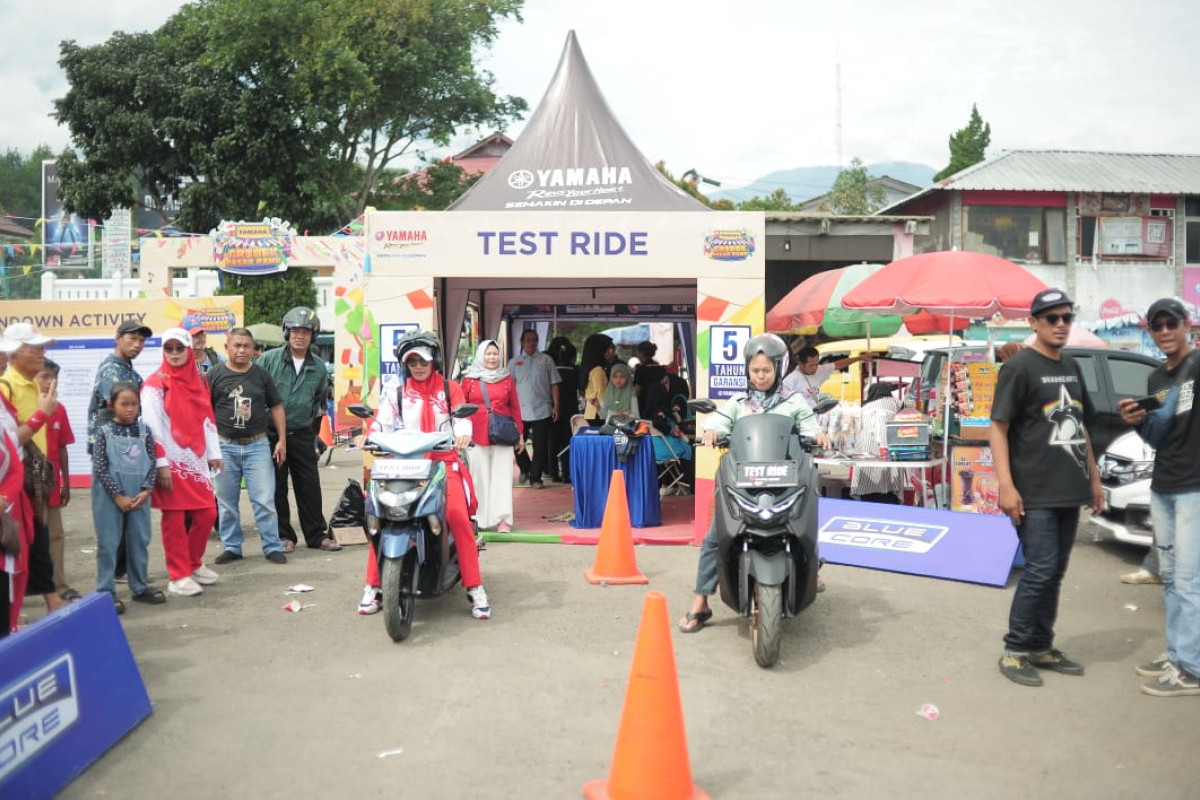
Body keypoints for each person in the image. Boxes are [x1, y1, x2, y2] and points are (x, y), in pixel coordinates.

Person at [678, 334, 831, 633]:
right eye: (755, 370)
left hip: (785, 481)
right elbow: (720, 422)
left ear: (778, 369)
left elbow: (810, 426)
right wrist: (711, 432)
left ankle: (809, 571)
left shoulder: (794, 401)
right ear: (747, 370)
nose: (760, 376)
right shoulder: (738, 403)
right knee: (713, 537)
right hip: (744, 482)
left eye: (766, 370)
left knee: (806, 524)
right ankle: (701, 600)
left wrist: (818, 436)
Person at [990, 288, 1103, 687]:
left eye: (1066, 318)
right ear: (1033, 322)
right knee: (1038, 571)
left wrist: (1093, 477)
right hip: (1033, 490)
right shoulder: (1019, 367)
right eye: (1051, 318)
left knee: (1055, 571)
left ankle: (1041, 644)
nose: (1060, 325)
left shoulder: (1072, 367)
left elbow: (1081, 424)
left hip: (1068, 489)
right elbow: (998, 428)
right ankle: (1015, 650)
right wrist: (1006, 485)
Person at [357, 333, 491, 620]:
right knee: (379, 518)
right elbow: (382, 423)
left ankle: (474, 586)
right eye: (412, 361)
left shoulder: (450, 388)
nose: (418, 366)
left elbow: (462, 419)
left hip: (442, 464)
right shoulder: (395, 391)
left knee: (456, 517)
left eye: (423, 360)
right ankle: (374, 585)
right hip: (401, 466)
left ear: (435, 361)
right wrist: (368, 436)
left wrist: (463, 435)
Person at [1118, 298, 1200, 697]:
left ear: (1187, 325)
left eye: (1172, 323)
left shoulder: (1197, 365)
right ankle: (1177, 656)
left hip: (1195, 489)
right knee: (1168, 577)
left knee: (1189, 580)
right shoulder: (1155, 380)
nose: (1165, 331)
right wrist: (1136, 423)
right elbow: (1157, 439)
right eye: (1157, 325)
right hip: (1164, 485)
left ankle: (1195, 670)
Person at [141, 328, 224, 597]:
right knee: (174, 519)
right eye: (169, 348)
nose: (175, 354)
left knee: (207, 514)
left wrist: (215, 452)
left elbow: (206, 417)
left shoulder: (199, 380)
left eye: (180, 348)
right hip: (171, 462)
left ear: (189, 350)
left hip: (196, 459)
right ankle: (177, 575)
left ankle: (193, 563)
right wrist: (161, 463)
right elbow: (152, 427)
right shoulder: (154, 384)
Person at [257, 307, 341, 553]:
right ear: (286, 332)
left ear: (313, 335)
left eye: (305, 331)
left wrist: (314, 436)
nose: (299, 336)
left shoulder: (319, 367)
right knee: (277, 487)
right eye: (295, 331)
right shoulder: (268, 360)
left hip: (303, 433)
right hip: (272, 435)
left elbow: (318, 403)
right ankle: (284, 536)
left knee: (310, 486)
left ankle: (316, 535)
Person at [0, 323, 66, 617]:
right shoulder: (6, 386)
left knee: (38, 540)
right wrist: (42, 415)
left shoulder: (31, 384)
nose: (43, 352)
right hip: (13, 484)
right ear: (14, 353)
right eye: (35, 347)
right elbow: (9, 443)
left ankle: (47, 601)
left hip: (33, 479)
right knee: (23, 545)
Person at [207, 328, 288, 565]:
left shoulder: (261, 374)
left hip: (258, 446)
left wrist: (282, 440)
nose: (242, 350)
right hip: (224, 447)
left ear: (253, 349)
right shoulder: (214, 374)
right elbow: (205, 411)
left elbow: (277, 407)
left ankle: (272, 546)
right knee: (226, 502)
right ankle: (232, 546)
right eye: (237, 345)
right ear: (227, 348)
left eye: (246, 346)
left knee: (264, 500)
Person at [87, 319, 151, 580]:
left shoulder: (127, 368)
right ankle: (113, 575)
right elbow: (116, 415)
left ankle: (123, 570)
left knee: (129, 512)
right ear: (118, 337)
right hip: (113, 451)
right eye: (131, 338)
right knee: (114, 514)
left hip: (126, 450)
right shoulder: (112, 371)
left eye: (141, 340)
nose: (137, 344)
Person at [93, 382, 163, 612]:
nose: (130, 409)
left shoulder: (144, 432)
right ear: (112, 405)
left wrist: (146, 490)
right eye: (124, 404)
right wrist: (118, 496)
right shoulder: (103, 432)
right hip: (110, 496)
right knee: (109, 542)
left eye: (134, 404)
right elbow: (101, 468)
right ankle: (106, 591)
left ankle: (140, 587)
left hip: (139, 494)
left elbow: (152, 463)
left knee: (139, 540)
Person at [461, 340, 523, 533]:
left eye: (495, 354)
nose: (492, 357)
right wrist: (461, 433)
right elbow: (460, 408)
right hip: (475, 434)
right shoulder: (469, 380)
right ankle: (478, 518)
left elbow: (515, 407)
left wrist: (520, 433)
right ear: (480, 355)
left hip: (502, 433)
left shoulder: (506, 379)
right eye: (488, 354)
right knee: (477, 477)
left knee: (502, 477)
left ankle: (502, 519)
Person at [37, 359, 80, 603]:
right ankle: (16, 591)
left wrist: (66, 483)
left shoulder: (59, 409)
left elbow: (62, 448)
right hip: (24, 487)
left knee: (55, 536)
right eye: (44, 377)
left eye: (54, 379)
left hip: (51, 485)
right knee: (19, 539)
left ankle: (59, 585)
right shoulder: (19, 408)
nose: (49, 383)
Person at [508, 329, 560, 489]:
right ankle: (525, 468)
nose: (532, 343)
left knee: (541, 446)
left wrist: (556, 404)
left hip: (542, 409)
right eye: (528, 340)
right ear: (522, 342)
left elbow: (554, 384)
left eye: (534, 340)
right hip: (519, 411)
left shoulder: (546, 360)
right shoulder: (514, 362)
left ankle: (535, 478)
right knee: (516, 443)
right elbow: (508, 387)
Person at [851, 383, 907, 504]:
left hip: (864, 449)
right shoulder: (895, 402)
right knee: (889, 480)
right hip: (886, 447)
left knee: (867, 481)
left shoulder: (863, 408)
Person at [782, 345, 876, 408]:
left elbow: (838, 364)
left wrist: (860, 358)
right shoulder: (791, 379)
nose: (815, 368)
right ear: (801, 364)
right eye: (811, 365)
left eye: (816, 364)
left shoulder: (819, 370)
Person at [546, 337, 579, 483]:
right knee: (568, 442)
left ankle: (553, 472)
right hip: (571, 411)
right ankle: (567, 473)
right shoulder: (576, 371)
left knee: (553, 442)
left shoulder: (553, 371)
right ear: (574, 357)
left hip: (554, 409)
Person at [580, 333, 615, 425]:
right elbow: (602, 396)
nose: (611, 351)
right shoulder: (598, 370)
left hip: (590, 412)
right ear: (599, 350)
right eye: (607, 348)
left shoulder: (589, 368)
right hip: (598, 413)